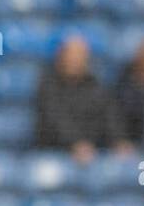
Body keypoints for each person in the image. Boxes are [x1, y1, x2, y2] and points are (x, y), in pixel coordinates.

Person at [32, 35, 111, 163]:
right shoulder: (47, 85)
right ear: (61, 57)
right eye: (70, 55)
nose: (74, 60)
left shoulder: (95, 86)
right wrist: (75, 143)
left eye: (79, 56)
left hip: (91, 151)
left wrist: (118, 140)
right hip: (54, 152)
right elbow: (54, 119)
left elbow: (107, 116)